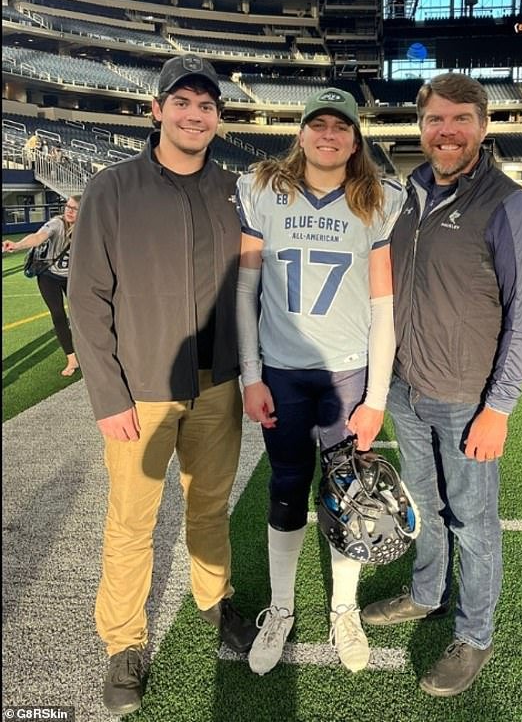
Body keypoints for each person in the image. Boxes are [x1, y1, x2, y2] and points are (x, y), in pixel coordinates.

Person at [67, 54, 257, 716]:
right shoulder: (111, 189)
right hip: (142, 389)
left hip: (217, 385)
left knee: (209, 506)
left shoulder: (237, 190)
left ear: (217, 118)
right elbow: (86, 300)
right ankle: (124, 642)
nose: (194, 113)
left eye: (206, 104)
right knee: (131, 521)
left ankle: (213, 598)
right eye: (182, 101)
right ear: (157, 111)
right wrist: (109, 395)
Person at [361, 73, 522, 697]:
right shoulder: (406, 195)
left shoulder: (508, 204)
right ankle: (425, 594)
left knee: (474, 521)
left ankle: (475, 636)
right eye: (436, 120)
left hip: (467, 399)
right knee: (423, 508)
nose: (447, 132)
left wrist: (499, 408)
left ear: (482, 127)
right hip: (410, 389)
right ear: (422, 126)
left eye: (460, 120)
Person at [235, 87, 406, 676]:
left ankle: (344, 607)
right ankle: (281, 608)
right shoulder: (265, 191)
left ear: (355, 140)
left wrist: (377, 396)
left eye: (341, 127)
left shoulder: (375, 201)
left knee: (350, 495)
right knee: (285, 487)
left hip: (346, 374)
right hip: (281, 372)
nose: (328, 135)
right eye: (318, 125)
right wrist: (250, 375)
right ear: (301, 132)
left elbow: (384, 306)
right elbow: (245, 289)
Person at [2, 196, 81, 376]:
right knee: (58, 314)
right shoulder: (56, 224)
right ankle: (72, 358)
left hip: (73, 277)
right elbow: (38, 237)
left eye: (74, 208)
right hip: (49, 276)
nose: (69, 210)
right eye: (68, 206)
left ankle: (94, 351)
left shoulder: (86, 228)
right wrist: (17, 245)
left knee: (83, 314)